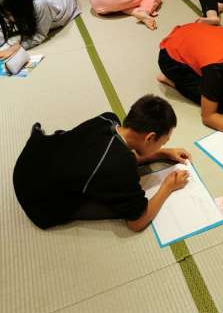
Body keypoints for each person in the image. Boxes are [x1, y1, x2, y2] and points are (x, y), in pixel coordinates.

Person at [13, 95, 190, 231]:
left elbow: (112, 155)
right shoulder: (120, 165)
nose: (163, 146)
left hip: (32, 159)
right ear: (150, 137)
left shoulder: (107, 119)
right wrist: (168, 186)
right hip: (38, 200)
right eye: (163, 142)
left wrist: (162, 153)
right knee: (120, 206)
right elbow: (136, 222)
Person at [0, 0, 79, 59]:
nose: (8, 18)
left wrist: (17, 47)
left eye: (10, 15)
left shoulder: (39, 6)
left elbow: (40, 35)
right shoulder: (12, 4)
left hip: (65, 2)